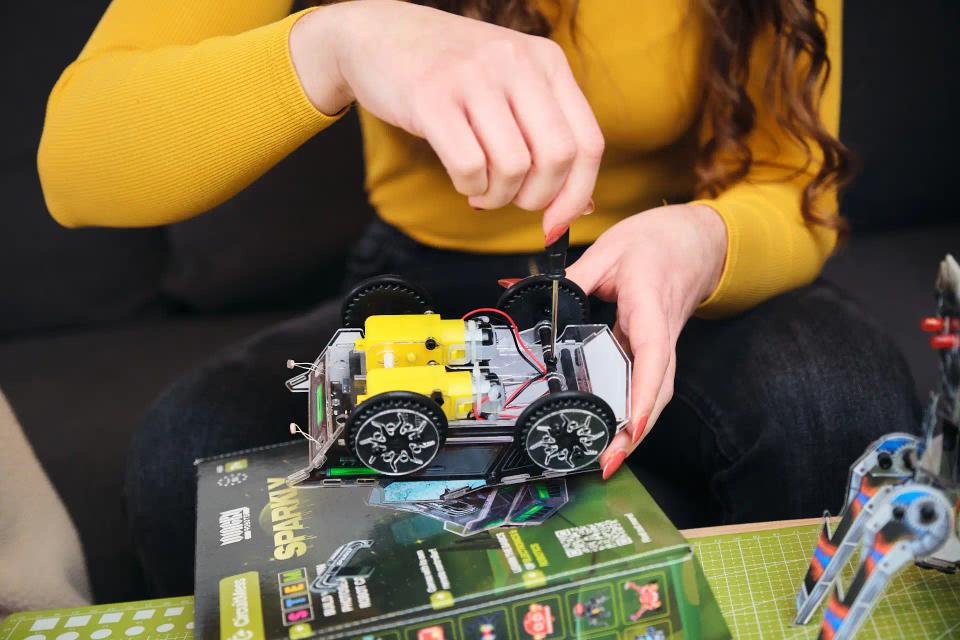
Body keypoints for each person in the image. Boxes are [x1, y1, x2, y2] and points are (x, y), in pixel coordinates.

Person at [37, 0, 918, 596]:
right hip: (425, 276)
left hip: (673, 261)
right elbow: (78, 165)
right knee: (191, 457)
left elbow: (795, 186)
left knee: (832, 402)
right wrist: (338, 42)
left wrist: (704, 241)